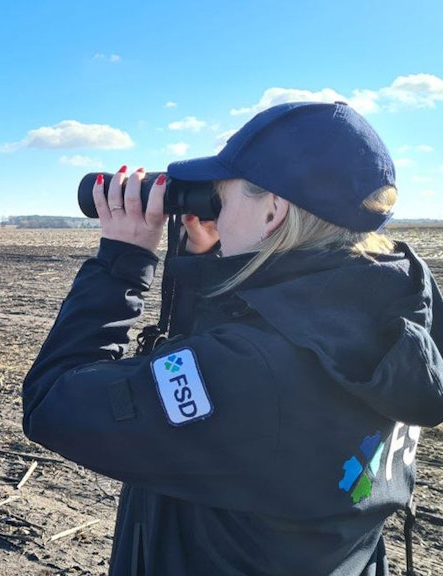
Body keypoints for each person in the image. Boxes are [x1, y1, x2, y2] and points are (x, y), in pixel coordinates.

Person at [22, 101, 443, 575]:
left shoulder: (251, 369)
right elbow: (240, 375)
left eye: (221, 196)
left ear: (273, 213)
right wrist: (211, 271)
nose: (215, 215)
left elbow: (52, 402)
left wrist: (121, 262)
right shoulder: (395, 314)